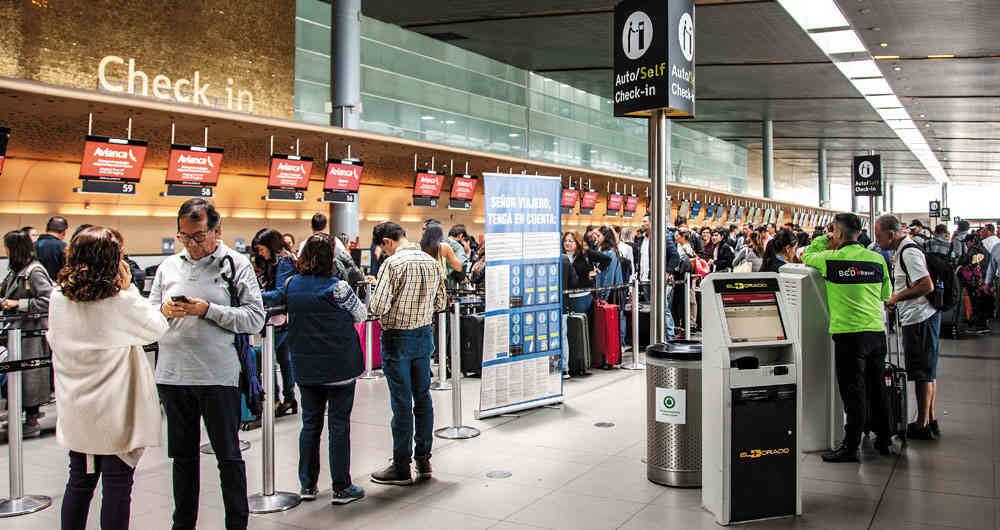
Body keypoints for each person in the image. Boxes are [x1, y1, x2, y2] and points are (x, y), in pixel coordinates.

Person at [150, 198, 265, 530]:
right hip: (173, 376)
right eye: (184, 236)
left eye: (198, 236)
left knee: (228, 457)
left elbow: (254, 318)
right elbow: (149, 314)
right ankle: (182, 523)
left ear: (217, 230)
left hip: (218, 376)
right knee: (182, 460)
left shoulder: (236, 264)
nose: (192, 244)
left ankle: (236, 522)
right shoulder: (167, 267)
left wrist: (208, 310)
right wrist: (162, 313)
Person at [48, 226, 169, 530]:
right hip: (116, 412)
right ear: (114, 260)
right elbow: (157, 327)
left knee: (79, 482)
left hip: (77, 408)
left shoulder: (58, 299)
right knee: (117, 486)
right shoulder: (119, 302)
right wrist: (129, 289)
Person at [268, 233, 368, 504]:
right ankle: (341, 487)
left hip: (306, 366)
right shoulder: (339, 288)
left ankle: (308, 485)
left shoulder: (290, 285)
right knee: (339, 425)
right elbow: (361, 314)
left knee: (310, 425)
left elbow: (269, 300)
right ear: (330, 260)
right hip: (340, 366)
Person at [802, 213, 894, 462]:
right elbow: (886, 293)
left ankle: (850, 446)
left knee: (853, 392)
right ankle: (884, 439)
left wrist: (823, 239)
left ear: (838, 233)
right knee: (877, 388)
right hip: (876, 332)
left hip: (848, 335)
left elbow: (805, 255)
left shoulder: (830, 259)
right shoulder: (877, 259)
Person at [368, 222, 446, 486]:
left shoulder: (392, 265)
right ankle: (424, 460)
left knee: (401, 404)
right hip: (423, 336)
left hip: (397, 339)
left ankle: (401, 466)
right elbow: (441, 302)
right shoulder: (431, 261)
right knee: (423, 399)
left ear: (388, 242)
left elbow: (378, 306)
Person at [875, 215, 941, 440]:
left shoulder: (908, 252)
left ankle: (922, 424)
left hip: (920, 319)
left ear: (891, 234)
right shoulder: (904, 250)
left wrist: (896, 297)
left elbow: (926, 285)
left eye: (879, 235)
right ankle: (929, 419)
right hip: (920, 318)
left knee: (922, 373)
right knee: (927, 372)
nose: (877, 240)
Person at [0, 229, 53, 438]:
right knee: (15, 377)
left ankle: (31, 421)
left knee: (30, 378)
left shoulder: (34, 271)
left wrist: (18, 304)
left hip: (31, 333)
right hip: (16, 333)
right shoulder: (16, 271)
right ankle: (17, 417)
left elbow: (49, 300)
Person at [252, 228, 298, 417]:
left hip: (278, 317)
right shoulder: (281, 260)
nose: (261, 253)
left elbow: (281, 293)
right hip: (283, 317)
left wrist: (255, 297)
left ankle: (275, 399)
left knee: (266, 360)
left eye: (262, 249)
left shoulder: (284, 261)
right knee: (284, 359)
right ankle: (288, 399)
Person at [563, 231, 610, 314]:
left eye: (570, 241)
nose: (567, 243)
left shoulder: (585, 253)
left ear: (577, 242)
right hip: (566, 297)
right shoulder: (561, 256)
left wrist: (596, 271)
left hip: (582, 296)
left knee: (581, 324)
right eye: (565, 241)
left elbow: (606, 259)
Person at [421, 223, 465, 289]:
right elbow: (458, 267)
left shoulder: (420, 247)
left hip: (423, 281)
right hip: (438, 283)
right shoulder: (444, 247)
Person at [35, 215, 69, 280]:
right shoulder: (63, 247)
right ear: (64, 232)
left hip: (34, 285)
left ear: (46, 229)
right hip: (55, 286)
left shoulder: (32, 245)